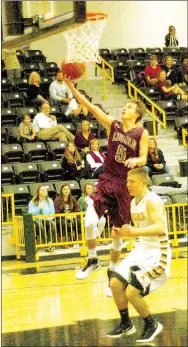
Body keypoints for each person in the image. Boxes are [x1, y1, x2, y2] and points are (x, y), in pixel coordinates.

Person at [65, 78, 149, 288]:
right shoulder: (114, 126)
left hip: (125, 186)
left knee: (117, 235)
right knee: (89, 222)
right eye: (125, 105)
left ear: (137, 114)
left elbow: (144, 158)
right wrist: (72, 88)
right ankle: (93, 260)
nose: (124, 108)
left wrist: (136, 160)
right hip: (107, 179)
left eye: (129, 107)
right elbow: (92, 108)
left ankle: (112, 272)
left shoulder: (142, 133)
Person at [106, 168, 171, 343]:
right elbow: (137, 230)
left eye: (131, 181)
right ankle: (126, 323)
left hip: (158, 252)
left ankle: (151, 324)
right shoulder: (134, 201)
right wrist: (122, 233)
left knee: (132, 292)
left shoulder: (152, 201)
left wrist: (135, 231)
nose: (127, 185)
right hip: (141, 249)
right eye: (127, 181)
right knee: (114, 282)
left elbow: (160, 228)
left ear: (143, 182)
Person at [28, 185, 56, 252]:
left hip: (47, 219)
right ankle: (48, 243)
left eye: (45, 190)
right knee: (40, 225)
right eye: (41, 190)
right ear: (38, 192)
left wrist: (49, 217)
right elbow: (31, 213)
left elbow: (52, 212)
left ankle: (49, 244)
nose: (44, 191)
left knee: (53, 224)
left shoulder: (49, 201)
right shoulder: (33, 201)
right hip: (36, 219)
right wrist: (39, 207)